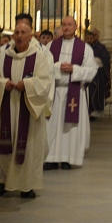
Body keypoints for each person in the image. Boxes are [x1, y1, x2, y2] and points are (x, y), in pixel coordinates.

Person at [0, 21, 54, 198]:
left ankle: (27, 185)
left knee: (30, 146)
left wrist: (27, 84)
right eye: (17, 32)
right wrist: (3, 84)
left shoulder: (39, 56)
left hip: (28, 109)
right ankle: (2, 181)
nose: (19, 36)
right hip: (7, 106)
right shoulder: (2, 55)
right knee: (0, 143)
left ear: (30, 36)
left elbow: (45, 81)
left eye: (23, 32)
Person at [44, 16, 97, 169]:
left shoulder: (85, 48)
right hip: (54, 91)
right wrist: (57, 68)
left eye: (69, 25)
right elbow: (43, 66)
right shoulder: (51, 46)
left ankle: (67, 158)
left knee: (69, 128)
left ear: (75, 27)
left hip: (74, 92)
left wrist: (74, 69)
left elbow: (92, 70)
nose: (66, 27)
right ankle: (50, 158)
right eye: (64, 25)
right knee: (52, 126)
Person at [84, 29, 111, 119]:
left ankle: (94, 112)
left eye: (91, 37)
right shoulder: (82, 47)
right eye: (88, 38)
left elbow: (106, 59)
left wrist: (97, 61)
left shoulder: (100, 47)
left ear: (96, 37)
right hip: (85, 73)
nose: (90, 40)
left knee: (95, 92)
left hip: (97, 74)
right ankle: (86, 112)